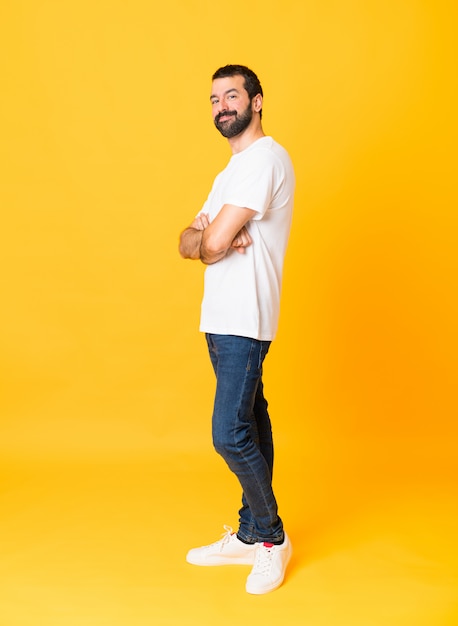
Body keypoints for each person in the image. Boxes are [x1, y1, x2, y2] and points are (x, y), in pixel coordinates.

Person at [178, 64, 295, 595]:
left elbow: (211, 240)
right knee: (252, 419)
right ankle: (250, 532)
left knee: (230, 433)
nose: (222, 106)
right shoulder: (230, 171)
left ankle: (271, 537)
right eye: (214, 98)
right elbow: (189, 239)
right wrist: (208, 237)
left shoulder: (263, 161)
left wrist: (213, 236)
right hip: (220, 317)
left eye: (232, 95)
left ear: (257, 101)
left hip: (245, 317)